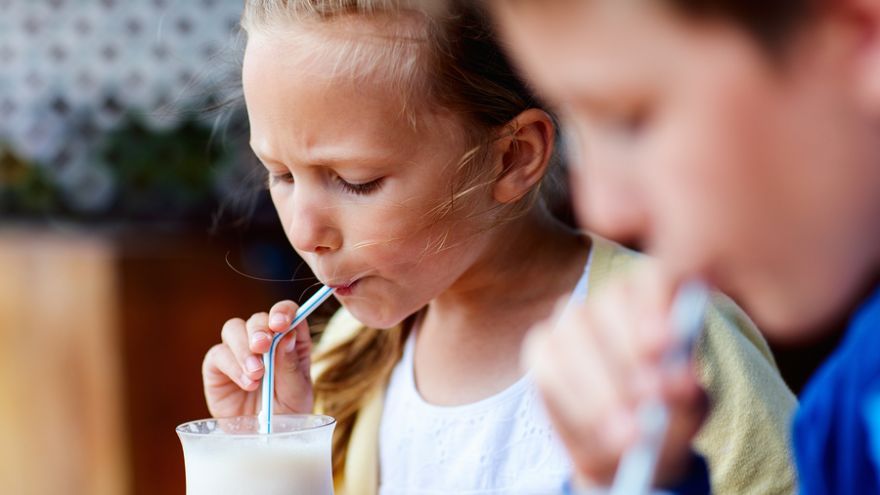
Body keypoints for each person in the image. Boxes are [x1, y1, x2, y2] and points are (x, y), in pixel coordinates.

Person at [201, 1, 796, 493]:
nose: (304, 232)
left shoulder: (674, 347)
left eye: (356, 181)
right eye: (279, 175)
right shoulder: (338, 368)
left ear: (512, 157)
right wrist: (272, 451)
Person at [490, 0, 880, 493]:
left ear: (859, 37)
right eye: (581, 136)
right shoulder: (844, 422)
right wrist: (636, 479)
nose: (605, 210)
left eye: (628, 120)